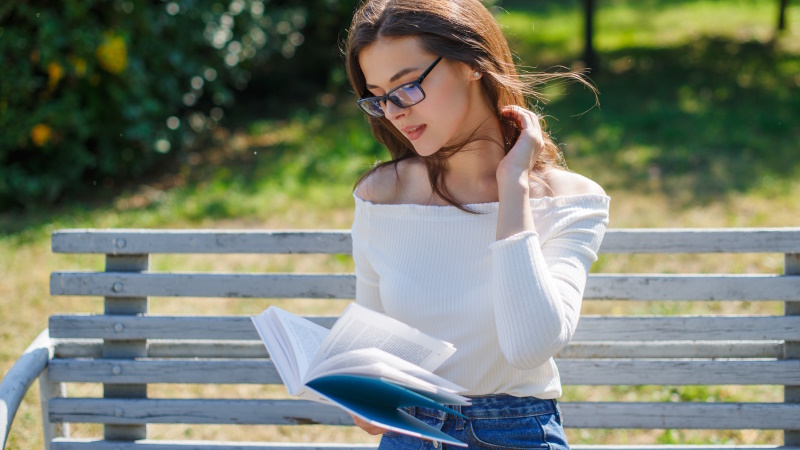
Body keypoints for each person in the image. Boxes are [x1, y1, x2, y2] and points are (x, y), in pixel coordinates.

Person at [345, 0, 610, 448]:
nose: (394, 112)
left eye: (406, 86)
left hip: (517, 433)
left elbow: (528, 347)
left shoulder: (570, 201)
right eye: (379, 97)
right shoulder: (381, 196)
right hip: (410, 433)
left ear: (471, 63)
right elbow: (372, 349)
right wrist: (361, 394)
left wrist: (514, 187)